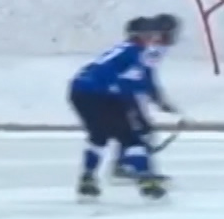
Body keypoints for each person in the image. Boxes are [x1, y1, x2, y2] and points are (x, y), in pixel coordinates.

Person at [69, 14, 181, 199]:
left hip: (79, 91)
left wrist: (158, 101)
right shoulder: (135, 52)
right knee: (132, 138)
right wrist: (152, 102)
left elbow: (141, 80)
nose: (153, 37)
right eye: (149, 33)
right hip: (101, 94)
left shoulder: (129, 50)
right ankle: (145, 178)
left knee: (99, 136)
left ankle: (88, 178)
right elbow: (129, 79)